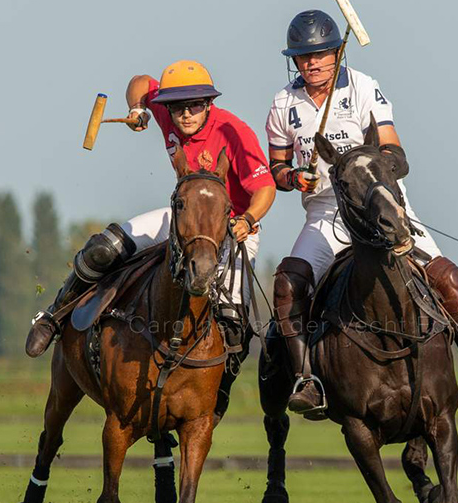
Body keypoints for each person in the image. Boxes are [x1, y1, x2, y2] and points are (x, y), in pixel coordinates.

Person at [265, 10, 458, 417]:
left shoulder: (365, 87)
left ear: (337, 53)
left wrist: (368, 169)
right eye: (303, 57)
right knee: (288, 283)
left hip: (379, 204)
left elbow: (396, 153)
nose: (311, 63)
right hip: (327, 213)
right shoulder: (283, 103)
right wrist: (294, 177)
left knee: (444, 274)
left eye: (320, 55)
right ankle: (307, 379)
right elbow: (276, 167)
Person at [26, 59, 276, 415]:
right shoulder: (166, 113)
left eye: (194, 106)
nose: (185, 115)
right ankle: (53, 316)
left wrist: (247, 219)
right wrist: (137, 108)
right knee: (104, 248)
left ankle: (217, 391)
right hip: (183, 220)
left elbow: (264, 188)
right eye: (176, 108)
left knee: (233, 318)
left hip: (232, 225)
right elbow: (140, 81)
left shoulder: (234, 131)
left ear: (209, 104)